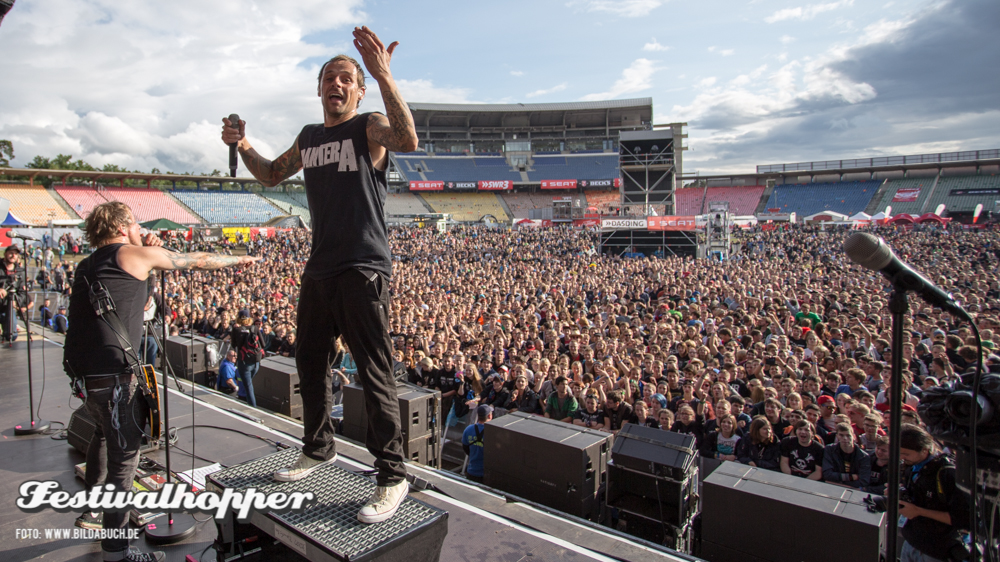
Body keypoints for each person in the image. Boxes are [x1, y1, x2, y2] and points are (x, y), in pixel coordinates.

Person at [221, 26, 419, 524]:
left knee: (373, 371)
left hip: (364, 265)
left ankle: (392, 476)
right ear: (318, 89)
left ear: (359, 89)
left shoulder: (369, 127)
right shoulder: (310, 138)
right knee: (308, 362)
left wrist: (384, 75)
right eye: (330, 77)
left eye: (347, 78)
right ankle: (318, 448)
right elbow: (269, 173)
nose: (337, 83)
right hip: (320, 267)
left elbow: (408, 138)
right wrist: (243, 142)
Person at [64, 201, 259, 562]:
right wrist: (238, 260)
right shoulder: (132, 253)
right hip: (116, 378)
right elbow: (194, 261)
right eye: (136, 223)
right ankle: (116, 552)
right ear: (123, 227)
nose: (139, 228)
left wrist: (150, 252)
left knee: (102, 437)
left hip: (86, 379)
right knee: (124, 463)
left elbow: (134, 302)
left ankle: (91, 512)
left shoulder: (88, 265)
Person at [899, 424, 972, 562]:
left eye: (906, 454)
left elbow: (963, 519)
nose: (902, 457)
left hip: (936, 550)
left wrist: (919, 511)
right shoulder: (911, 467)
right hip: (912, 541)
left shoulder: (947, 474)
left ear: (925, 450)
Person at [230, 310, 264, 407]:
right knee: (248, 385)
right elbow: (263, 344)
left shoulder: (236, 330)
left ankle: (253, 408)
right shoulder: (255, 328)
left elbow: (233, 345)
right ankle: (247, 402)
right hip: (256, 362)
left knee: (248, 387)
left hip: (244, 362)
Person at [821, 422, 871, 489]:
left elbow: (863, 481)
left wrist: (839, 483)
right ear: (837, 436)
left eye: (848, 435)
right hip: (831, 488)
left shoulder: (863, 456)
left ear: (854, 437)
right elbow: (827, 474)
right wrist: (852, 477)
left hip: (851, 491)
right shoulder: (829, 450)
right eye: (841, 435)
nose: (845, 438)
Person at [0, 244, 33, 343]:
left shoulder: (20, 272)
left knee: (12, 335)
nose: (13, 256)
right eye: (11, 253)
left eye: (15, 254)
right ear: (5, 254)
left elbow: (22, 292)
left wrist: (15, 301)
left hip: (8, 306)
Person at [462, 404, 492, 483]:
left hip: (472, 471)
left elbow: (465, 448)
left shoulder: (468, 429)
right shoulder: (492, 432)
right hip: (486, 475)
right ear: (489, 416)